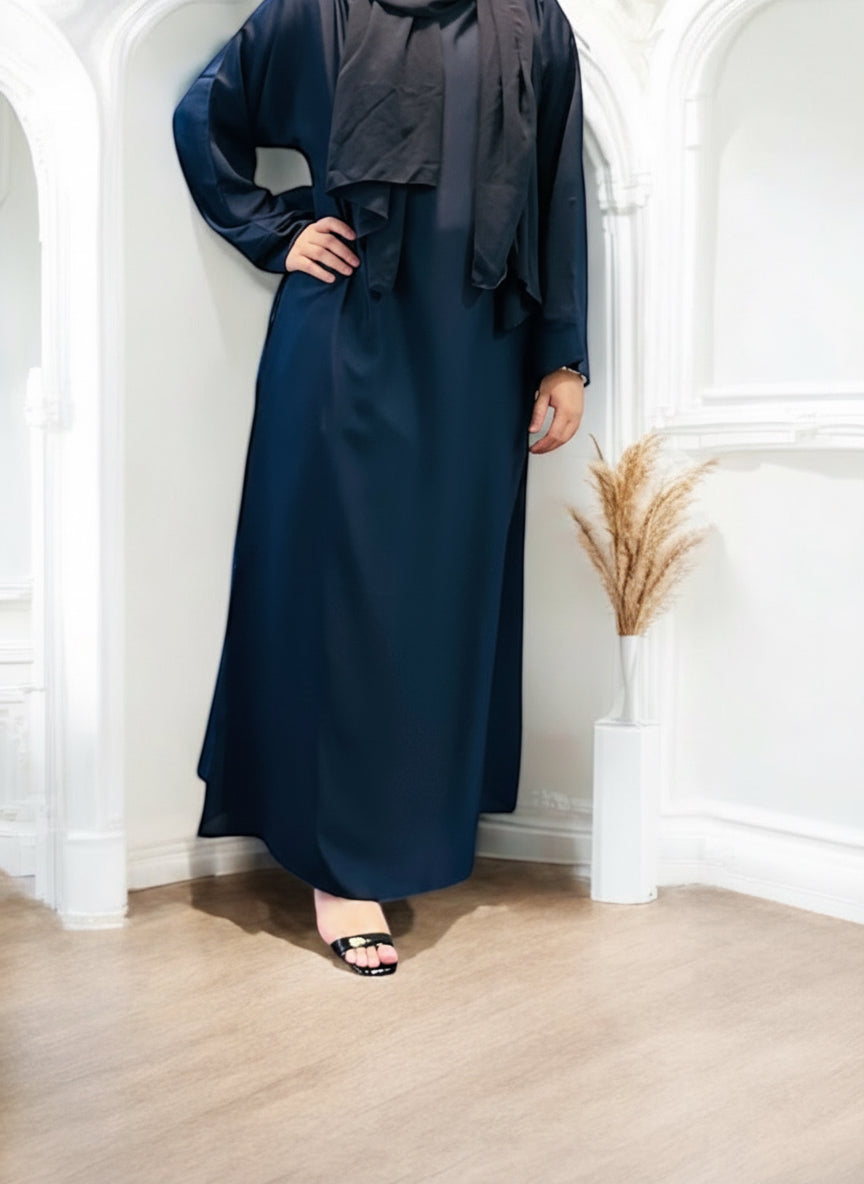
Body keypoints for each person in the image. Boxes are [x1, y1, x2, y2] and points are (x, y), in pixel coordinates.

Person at [172, 0, 590, 976]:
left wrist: (563, 354)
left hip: (481, 350)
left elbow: (558, 181)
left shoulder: (533, 20)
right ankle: (340, 866)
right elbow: (205, 116)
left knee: (439, 598)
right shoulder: (317, 11)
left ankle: (418, 833)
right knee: (341, 596)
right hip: (344, 333)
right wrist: (273, 229)